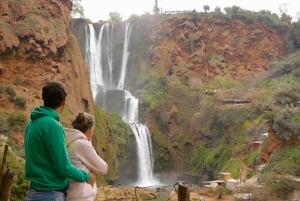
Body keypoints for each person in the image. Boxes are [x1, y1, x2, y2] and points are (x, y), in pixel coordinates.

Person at [24, 80, 94, 201]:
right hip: (50, 194)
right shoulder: (53, 126)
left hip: (34, 192)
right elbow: (64, 167)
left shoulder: (31, 124)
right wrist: (86, 177)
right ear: (64, 101)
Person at [64, 112, 108, 201]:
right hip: (80, 197)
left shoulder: (70, 141)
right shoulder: (82, 144)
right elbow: (104, 168)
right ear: (90, 129)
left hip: (70, 194)